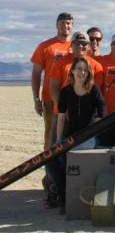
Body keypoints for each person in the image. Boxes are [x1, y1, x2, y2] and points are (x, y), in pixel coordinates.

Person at [46, 57, 107, 213]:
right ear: (72, 71)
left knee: (69, 159)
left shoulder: (94, 90)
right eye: (79, 69)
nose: (82, 72)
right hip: (69, 137)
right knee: (51, 159)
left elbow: (102, 115)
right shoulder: (66, 92)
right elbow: (60, 118)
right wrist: (59, 140)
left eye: (85, 70)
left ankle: (70, 201)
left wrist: (92, 132)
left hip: (89, 138)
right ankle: (64, 196)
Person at [31, 12, 73, 150]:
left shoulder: (78, 46)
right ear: (56, 25)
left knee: (70, 137)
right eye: (62, 23)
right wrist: (37, 98)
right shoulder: (45, 46)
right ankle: (49, 170)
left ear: (72, 26)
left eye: (68, 23)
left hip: (73, 99)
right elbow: (36, 74)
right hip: (50, 99)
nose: (65, 26)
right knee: (51, 137)